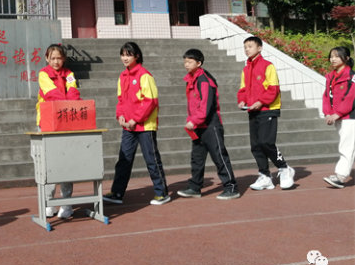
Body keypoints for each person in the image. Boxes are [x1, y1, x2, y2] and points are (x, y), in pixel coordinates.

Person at [103, 42, 170, 206]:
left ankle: (162, 193)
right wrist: (120, 116)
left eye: (128, 54)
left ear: (137, 56)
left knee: (151, 160)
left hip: (145, 126)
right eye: (123, 54)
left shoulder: (144, 75)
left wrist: (136, 119)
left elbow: (151, 101)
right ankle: (117, 193)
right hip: (128, 127)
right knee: (123, 160)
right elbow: (120, 100)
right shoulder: (122, 76)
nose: (125, 58)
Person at [177, 49, 240, 200]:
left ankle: (231, 187)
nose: (186, 64)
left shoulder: (204, 80)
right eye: (185, 61)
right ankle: (195, 187)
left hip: (211, 125)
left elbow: (206, 105)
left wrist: (194, 120)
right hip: (198, 126)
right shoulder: (192, 79)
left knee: (219, 156)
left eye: (190, 61)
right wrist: (192, 120)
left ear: (199, 63)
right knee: (197, 158)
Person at [238, 36, 295, 191]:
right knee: (255, 145)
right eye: (245, 47)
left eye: (250, 46)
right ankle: (265, 176)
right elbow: (243, 89)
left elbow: (273, 88)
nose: (247, 49)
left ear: (260, 48)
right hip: (252, 110)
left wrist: (261, 102)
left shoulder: (267, 66)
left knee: (266, 142)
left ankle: (284, 168)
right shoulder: (246, 69)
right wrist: (242, 101)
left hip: (268, 109)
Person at [36, 44, 81, 219]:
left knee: (66, 164)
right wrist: (68, 105)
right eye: (53, 58)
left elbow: (74, 92)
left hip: (67, 122)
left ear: (64, 59)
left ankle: (66, 203)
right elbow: (51, 94)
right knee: (49, 165)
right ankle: (49, 202)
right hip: (47, 122)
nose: (56, 61)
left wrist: (69, 104)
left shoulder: (69, 74)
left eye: (59, 58)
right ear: (47, 58)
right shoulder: (43, 73)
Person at [322, 47, 355, 189]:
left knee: (346, 146)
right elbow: (326, 96)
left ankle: (341, 176)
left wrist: (337, 113)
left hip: (349, 116)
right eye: (331, 56)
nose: (333, 59)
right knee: (348, 144)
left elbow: (351, 98)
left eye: (337, 56)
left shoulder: (352, 77)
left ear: (347, 58)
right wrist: (328, 113)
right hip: (338, 116)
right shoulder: (331, 76)